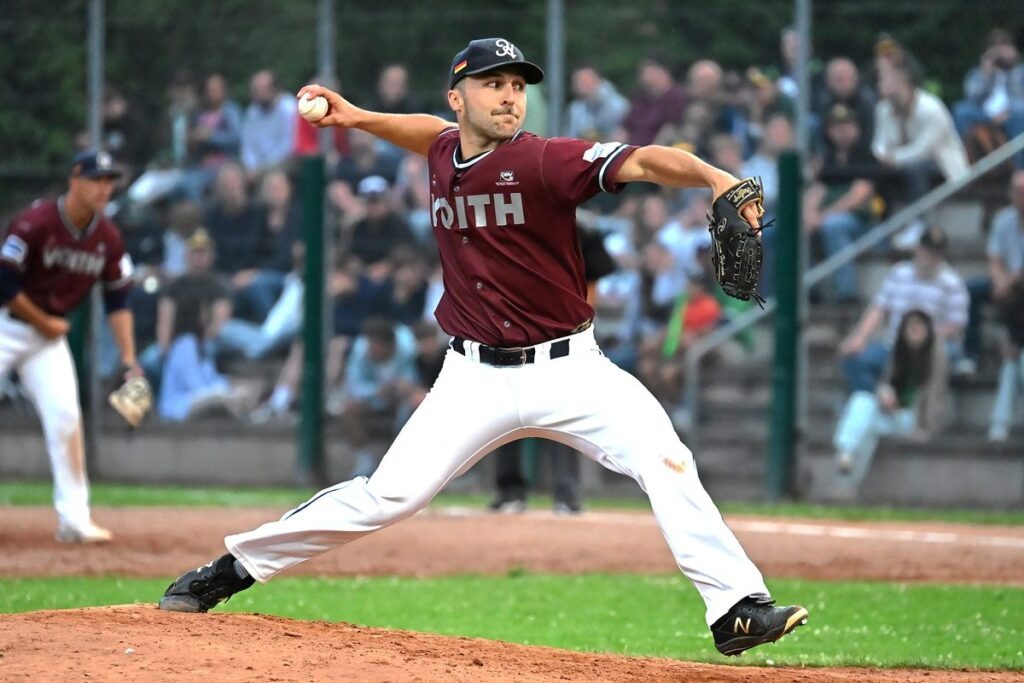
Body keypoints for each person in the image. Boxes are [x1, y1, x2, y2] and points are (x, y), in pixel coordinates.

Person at [158, 37, 807, 657]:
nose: (509, 96)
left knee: (667, 459)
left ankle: (735, 607)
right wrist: (356, 118)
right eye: (492, 84)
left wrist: (709, 173)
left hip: (571, 369)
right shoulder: (445, 151)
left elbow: (637, 159)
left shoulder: (543, 160)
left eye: (517, 85)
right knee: (388, 496)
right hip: (472, 378)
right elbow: (427, 135)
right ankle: (231, 568)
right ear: (458, 98)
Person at [0, 150, 142, 543]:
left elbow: (118, 299)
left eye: (109, 180)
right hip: (8, 325)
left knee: (65, 418)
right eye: (96, 179)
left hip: (47, 342)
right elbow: (5, 283)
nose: (104, 188)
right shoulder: (35, 222)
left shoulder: (107, 238)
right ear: (74, 180)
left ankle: (74, 519)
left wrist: (130, 360)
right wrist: (43, 321)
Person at [839, 226, 968, 394]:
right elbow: (879, 308)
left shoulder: (952, 282)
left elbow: (955, 326)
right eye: (926, 250)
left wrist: (919, 337)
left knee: (934, 359)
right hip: (894, 345)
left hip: (932, 347)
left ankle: (914, 410)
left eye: (934, 253)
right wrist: (860, 337)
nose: (928, 256)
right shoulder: (899, 273)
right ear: (918, 249)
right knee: (855, 358)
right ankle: (875, 404)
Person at [832, 310, 948, 491]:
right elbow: (885, 383)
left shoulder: (936, 356)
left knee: (866, 419)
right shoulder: (896, 353)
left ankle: (846, 469)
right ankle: (847, 467)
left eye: (920, 328)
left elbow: (935, 396)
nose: (915, 333)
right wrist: (884, 394)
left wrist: (926, 428)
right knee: (863, 403)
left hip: (913, 420)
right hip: (890, 415)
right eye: (911, 328)